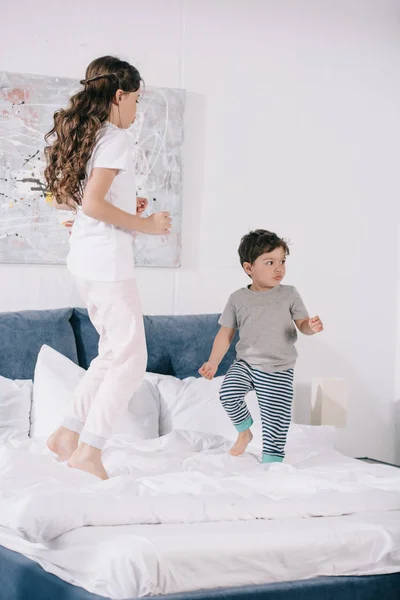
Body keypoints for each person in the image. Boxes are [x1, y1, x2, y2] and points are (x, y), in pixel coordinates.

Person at [43, 56, 171, 479]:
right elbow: (95, 204)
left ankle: (67, 434)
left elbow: (78, 200)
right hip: (107, 262)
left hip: (85, 258)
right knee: (132, 360)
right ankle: (89, 451)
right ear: (119, 95)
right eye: (135, 100)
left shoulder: (90, 135)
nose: (136, 110)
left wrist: (122, 207)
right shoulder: (115, 136)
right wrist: (147, 225)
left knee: (113, 352)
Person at [199, 229, 323, 464]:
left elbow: (302, 325)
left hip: (278, 367)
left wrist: (311, 326)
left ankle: (271, 466)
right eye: (270, 262)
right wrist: (213, 361)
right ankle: (244, 432)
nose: (279, 269)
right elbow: (225, 334)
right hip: (246, 363)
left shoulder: (289, 294)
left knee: (276, 422)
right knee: (228, 393)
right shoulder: (238, 299)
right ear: (249, 268)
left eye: (282, 262)